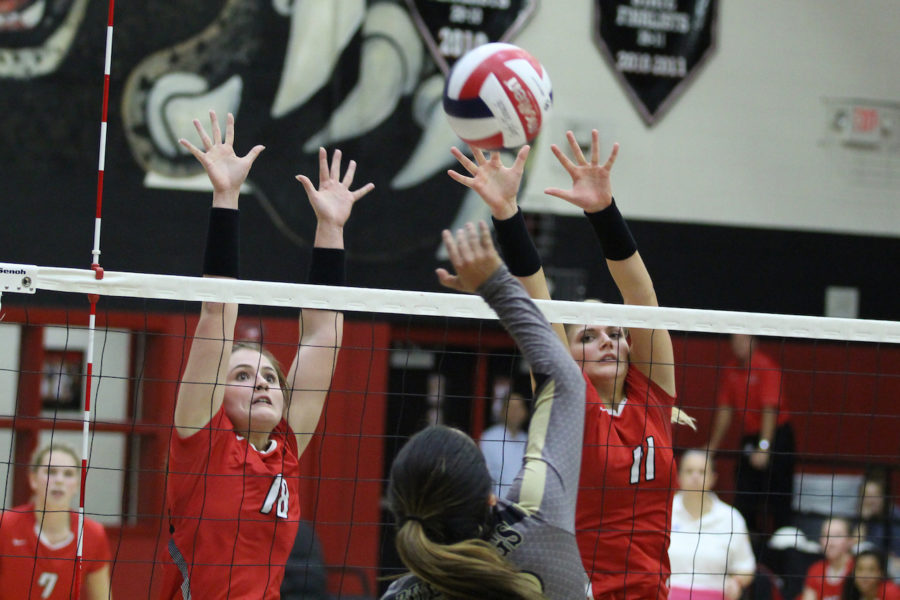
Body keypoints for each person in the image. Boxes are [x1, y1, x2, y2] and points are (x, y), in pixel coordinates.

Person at [448, 130, 694, 599]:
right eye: (588, 335)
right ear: (568, 351)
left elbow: (640, 296)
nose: (607, 340)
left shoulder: (654, 398)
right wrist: (507, 214)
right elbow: (535, 297)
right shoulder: (567, 399)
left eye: (615, 332)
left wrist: (603, 211)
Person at [160, 110, 373, 599]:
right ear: (217, 394)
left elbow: (324, 336)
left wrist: (331, 228)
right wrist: (226, 197)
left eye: (270, 378)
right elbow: (217, 315)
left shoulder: (286, 447)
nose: (262, 383)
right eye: (242, 374)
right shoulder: (200, 441)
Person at [381, 221, 590, 599]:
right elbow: (565, 381)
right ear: (490, 498)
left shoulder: (401, 596)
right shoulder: (540, 524)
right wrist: (494, 286)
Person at [708, 334, 795, 535]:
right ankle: (747, 539)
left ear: (753, 342)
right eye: (735, 340)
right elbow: (725, 410)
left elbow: (769, 409)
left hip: (776, 435)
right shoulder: (731, 370)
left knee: (778, 496)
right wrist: (712, 446)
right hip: (750, 437)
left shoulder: (766, 367)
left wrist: (764, 447)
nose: (738, 345)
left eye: (743, 340)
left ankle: (782, 544)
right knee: (745, 492)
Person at [0, 443, 113, 600]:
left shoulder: (92, 534)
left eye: (68, 474)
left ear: (77, 485)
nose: (59, 480)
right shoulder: (5, 525)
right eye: (51, 472)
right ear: (33, 479)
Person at [668, 450, 755, 600]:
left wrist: (736, 582)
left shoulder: (731, 517)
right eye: (689, 471)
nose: (695, 476)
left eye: (702, 472)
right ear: (678, 476)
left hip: (713, 594)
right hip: (665, 594)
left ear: (713, 478)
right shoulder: (664, 512)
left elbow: (746, 567)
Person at [479, 392, 529, 496]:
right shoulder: (489, 437)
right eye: (511, 407)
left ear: (525, 412)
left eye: (518, 408)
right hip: (497, 505)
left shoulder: (529, 441)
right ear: (502, 411)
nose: (514, 412)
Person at [854, 471, 900, 579]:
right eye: (867, 496)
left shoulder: (895, 516)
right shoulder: (860, 517)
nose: (871, 500)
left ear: (883, 497)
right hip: (869, 566)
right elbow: (855, 547)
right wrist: (863, 520)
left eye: (875, 496)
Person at [801, 518, 855, 600]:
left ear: (850, 540)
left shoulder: (858, 568)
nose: (831, 542)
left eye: (837, 536)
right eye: (826, 535)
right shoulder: (815, 569)